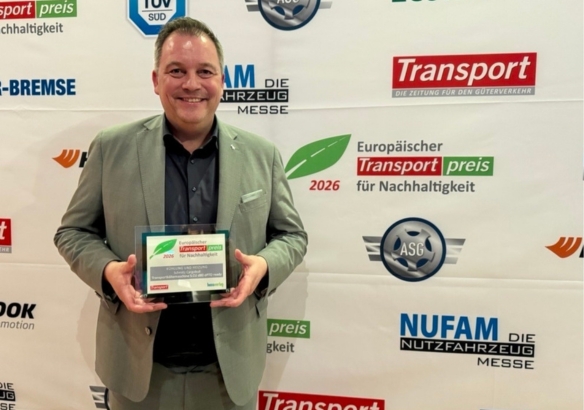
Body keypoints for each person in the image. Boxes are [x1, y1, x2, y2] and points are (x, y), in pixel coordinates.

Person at [54, 17, 307, 410]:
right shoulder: (111, 148)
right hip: (139, 372)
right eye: (177, 71)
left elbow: (292, 236)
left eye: (205, 71)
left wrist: (263, 266)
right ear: (156, 80)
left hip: (229, 371)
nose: (191, 84)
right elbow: (72, 232)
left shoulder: (262, 155)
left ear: (222, 80)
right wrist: (108, 272)